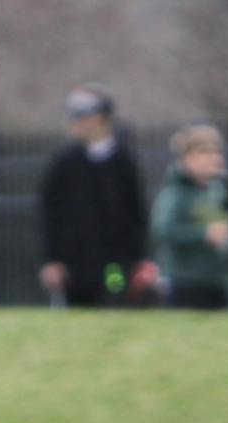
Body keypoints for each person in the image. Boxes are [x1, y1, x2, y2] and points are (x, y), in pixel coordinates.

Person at [37, 85, 156, 308]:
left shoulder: (123, 162)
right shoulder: (63, 163)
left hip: (115, 264)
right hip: (74, 266)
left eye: (82, 116)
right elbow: (49, 214)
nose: (75, 122)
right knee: (77, 313)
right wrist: (51, 260)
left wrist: (140, 258)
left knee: (114, 297)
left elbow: (136, 212)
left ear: (102, 119)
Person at [149, 125, 228, 310]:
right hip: (184, 281)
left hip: (218, 279)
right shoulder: (175, 193)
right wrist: (203, 234)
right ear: (185, 158)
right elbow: (163, 230)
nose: (213, 158)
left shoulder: (218, 190)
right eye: (204, 152)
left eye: (216, 151)